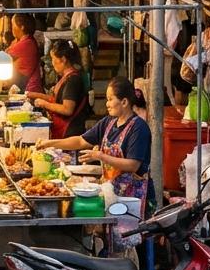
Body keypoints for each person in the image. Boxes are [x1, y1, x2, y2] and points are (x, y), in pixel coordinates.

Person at [39, 77, 154, 213]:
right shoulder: (109, 122)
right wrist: (49, 143)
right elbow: (81, 141)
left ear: (124, 102)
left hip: (133, 198)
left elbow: (133, 164)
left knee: (130, 232)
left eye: (110, 99)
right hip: (111, 193)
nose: (107, 104)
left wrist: (100, 156)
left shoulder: (139, 128)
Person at [27, 41, 88, 138]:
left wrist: (44, 104)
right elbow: (55, 99)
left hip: (70, 132)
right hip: (62, 129)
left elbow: (67, 109)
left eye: (53, 59)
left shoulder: (73, 80)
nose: (52, 63)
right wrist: (32, 95)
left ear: (63, 59)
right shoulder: (66, 76)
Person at [7, 14, 44, 93]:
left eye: (13, 25)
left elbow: (4, 58)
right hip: (23, 85)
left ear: (22, 27)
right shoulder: (25, 40)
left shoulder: (27, 43)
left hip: (29, 89)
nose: (11, 28)